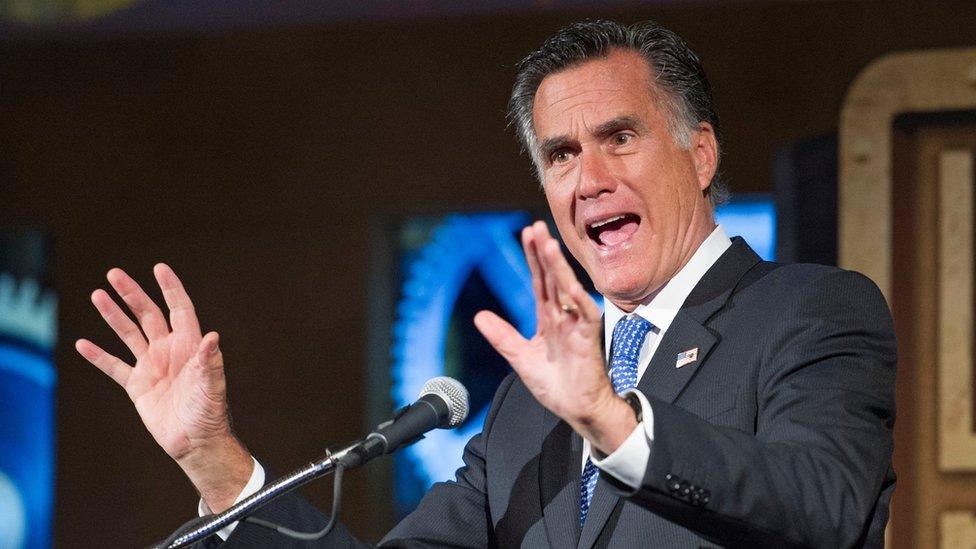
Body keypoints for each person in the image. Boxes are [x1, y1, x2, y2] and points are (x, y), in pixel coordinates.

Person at [77, 20, 896, 548]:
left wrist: (615, 423)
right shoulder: (523, 409)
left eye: (620, 137)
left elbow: (825, 505)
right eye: (561, 154)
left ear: (701, 153)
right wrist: (216, 461)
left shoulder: (813, 312)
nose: (590, 177)